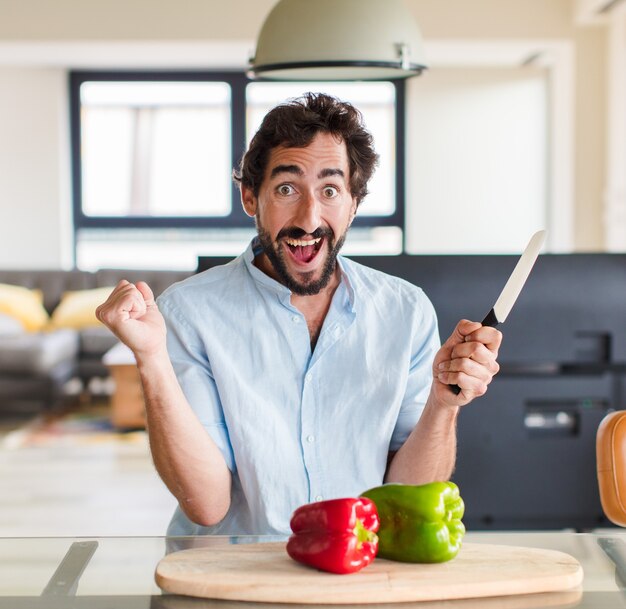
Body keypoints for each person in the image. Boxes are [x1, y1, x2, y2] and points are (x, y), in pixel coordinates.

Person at [96, 92, 501, 536]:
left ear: (353, 203)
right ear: (251, 197)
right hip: (233, 581)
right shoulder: (188, 313)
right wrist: (150, 357)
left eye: (330, 190)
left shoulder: (406, 312)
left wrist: (443, 406)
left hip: (355, 571)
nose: (309, 218)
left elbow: (407, 496)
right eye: (287, 188)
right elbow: (207, 505)